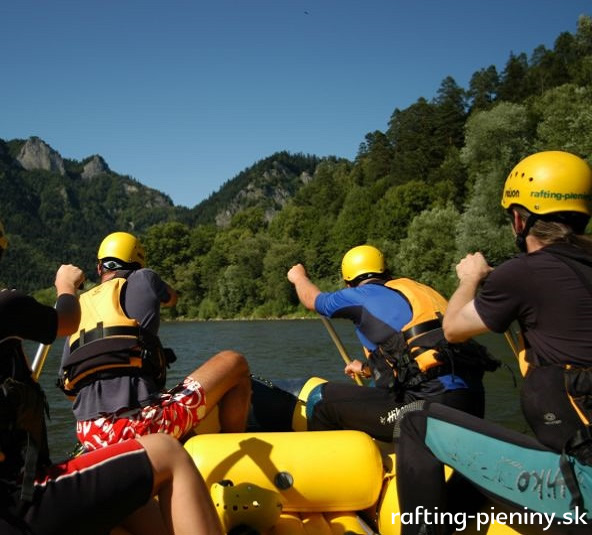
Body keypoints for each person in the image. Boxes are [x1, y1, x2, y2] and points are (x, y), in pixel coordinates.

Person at [0, 197, 221, 535]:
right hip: (5, 508)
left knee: (126, 499)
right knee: (168, 452)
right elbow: (67, 319)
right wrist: (64, 285)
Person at [395, 151, 592, 535]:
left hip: (582, 487)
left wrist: (471, 277)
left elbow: (452, 328)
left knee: (416, 420)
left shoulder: (524, 272)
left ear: (520, 218)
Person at [58, 231, 252, 451]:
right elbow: (171, 298)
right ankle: (230, 448)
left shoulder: (78, 309)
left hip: (89, 434)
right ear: (139, 264)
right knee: (235, 362)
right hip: (142, 425)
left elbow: (69, 391)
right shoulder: (144, 277)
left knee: (163, 403)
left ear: (99, 269)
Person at [286, 245, 496, 441]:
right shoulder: (417, 291)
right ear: (387, 273)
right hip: (471, 403)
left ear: (348, 283)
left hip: (428, 409)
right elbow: (412, 353)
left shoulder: (358, 295)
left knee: (321, 400)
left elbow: (312, 299)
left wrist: (299, 277)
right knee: (372, 387)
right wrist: (366, 368)